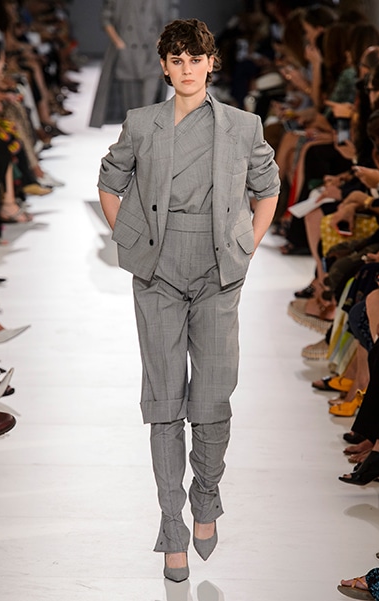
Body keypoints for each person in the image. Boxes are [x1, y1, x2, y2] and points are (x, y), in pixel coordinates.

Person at [98, 18, 279, 582]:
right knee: (164, 401)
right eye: (175, 60)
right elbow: (110, 180)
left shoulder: (244, 126)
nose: (186, 69)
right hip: (158, 270)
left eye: (194, 59)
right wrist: (132, 241)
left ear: (210, 63)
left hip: (219, 269)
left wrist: (247, 245)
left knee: (213, 396)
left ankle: (206, 493)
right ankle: (171, 525)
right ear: (163, 66)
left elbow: (267, 187)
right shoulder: (141, 123)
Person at [89, 0, 174, 128]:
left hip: (153, 53)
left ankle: (147, 135)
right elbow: (106, 19)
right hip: (128, 53)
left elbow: (172, 19)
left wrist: (161, 40)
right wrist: (118, 43)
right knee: (132, 109)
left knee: (149, 104)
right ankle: (136, 136)